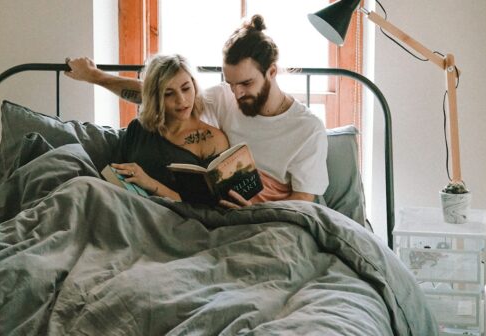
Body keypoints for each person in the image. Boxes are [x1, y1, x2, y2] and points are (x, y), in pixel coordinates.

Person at [66, 15, 329, 207]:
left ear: (271, 72)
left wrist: (255, 212)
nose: (237, 93)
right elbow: (156, 91)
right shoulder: (224, 98)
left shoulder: (308, 129)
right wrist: (95, 76)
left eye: (246, 83)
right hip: (222, 211)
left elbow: (303, 201)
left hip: (272, 217)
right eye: (231, 83)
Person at [88, 53, 229, 201]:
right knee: (82, 186)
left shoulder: (213, 140)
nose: (181, 100)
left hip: (172, 217)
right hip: (127, 206)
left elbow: (209, 208)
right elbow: (113, 177)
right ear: (155, 97)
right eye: (168, 94)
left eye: (186, 88)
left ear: (194, 85)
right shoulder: (138, 128)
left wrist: (149, 183)